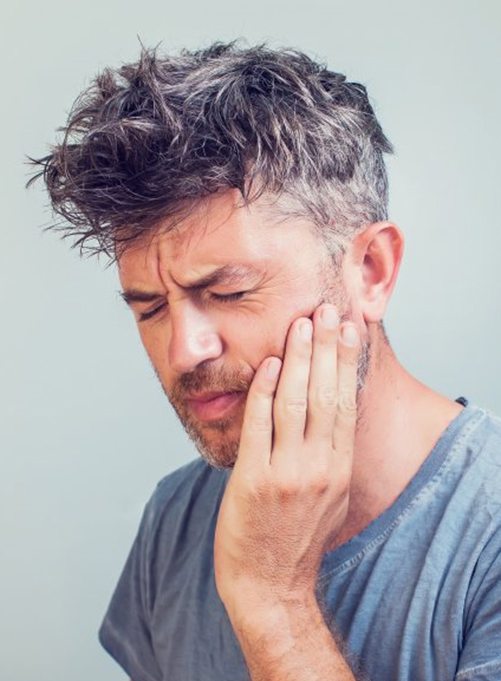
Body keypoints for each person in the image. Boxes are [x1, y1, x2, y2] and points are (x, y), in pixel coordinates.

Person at [29, 41, 501, 681]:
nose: (183, 349)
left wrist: (272, 599)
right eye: (148, 308)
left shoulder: (487, 534)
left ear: (370, 271)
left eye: (228, 292)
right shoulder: (177, 514)